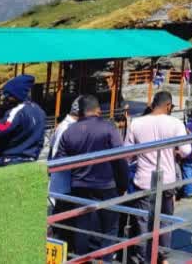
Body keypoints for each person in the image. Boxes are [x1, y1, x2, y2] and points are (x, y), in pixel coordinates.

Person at [55, 95, 128, 261]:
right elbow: (120, 159)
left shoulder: (69, 131)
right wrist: (123, 185)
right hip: (107, 186)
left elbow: (59, 163)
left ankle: (84, 259)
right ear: (98, 111)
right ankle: (104, 260)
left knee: (83, 228)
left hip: (79, 187)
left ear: (80, 111)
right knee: (109, 228)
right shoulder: (108, 128)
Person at [126, 91, 191, 263]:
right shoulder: (175, 123)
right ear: (168, 106)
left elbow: (127, 154)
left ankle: (143, 257)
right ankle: (163, 257)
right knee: (164, 221)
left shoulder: (136, 123)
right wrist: (174, 150)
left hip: (143, 180)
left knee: (142, 222)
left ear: (153, 103)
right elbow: (186, 151)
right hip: (167, 180)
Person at [0, 74, 47, 167]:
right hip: (30, 159)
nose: (5, 98)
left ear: (16, 94)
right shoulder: (39, 111)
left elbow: (0, 128)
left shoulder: (18, 111)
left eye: (8, 95)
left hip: (11, 160)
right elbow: (40, 139)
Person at [49, 96, 84, 205]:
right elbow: (56, 155)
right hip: (64, 184)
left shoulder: (67, 126)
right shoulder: (66, 128)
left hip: (66, 183)